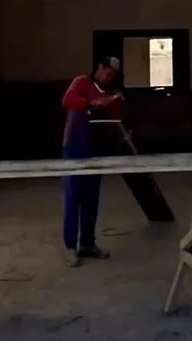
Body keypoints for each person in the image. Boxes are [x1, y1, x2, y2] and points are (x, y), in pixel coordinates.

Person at [60, 57, 124, 267]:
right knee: (73, 197)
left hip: (95, 151)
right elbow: (67, 101)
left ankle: (87, 243)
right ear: (99, 68)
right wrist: (90, 103)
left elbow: (115, 120)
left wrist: (116, 103)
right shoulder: (81, 83)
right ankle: (71, 246)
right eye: (107, 72)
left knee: (91, 199)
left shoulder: (108, 94)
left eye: (113, 75)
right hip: (75, 149)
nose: (109, 77)